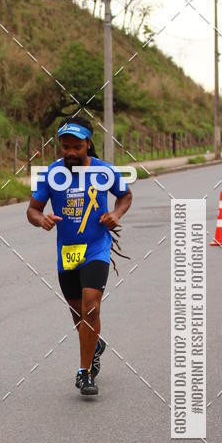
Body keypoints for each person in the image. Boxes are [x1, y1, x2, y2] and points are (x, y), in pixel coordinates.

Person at [27, 117, 133, 397]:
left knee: (91, 308)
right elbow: (32, 210)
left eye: (76, 146)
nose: (71, 152)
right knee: (79, 316)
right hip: (67, 253)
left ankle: (84, 373)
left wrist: (116, 214)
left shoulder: (103, 171)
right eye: (65, 146)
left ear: (88, 144)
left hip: (96, 247)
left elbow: (125, 196)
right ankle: (94, 344)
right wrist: (42, 220)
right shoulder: (51, 175)